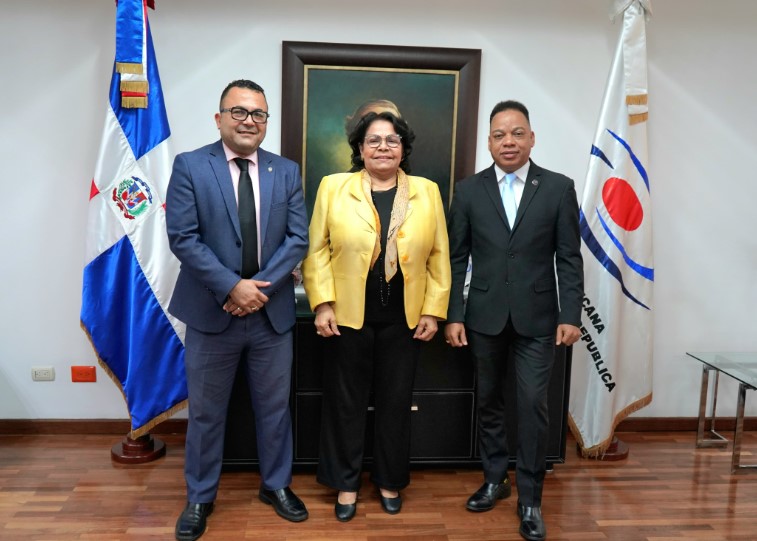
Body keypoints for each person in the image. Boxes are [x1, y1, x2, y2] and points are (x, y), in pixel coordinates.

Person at [166, 79, 309, 541]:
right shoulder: (191, 166)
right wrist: (232, 286)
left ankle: (276, 485)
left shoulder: (285, 171)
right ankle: (200, 496)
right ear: (219, 118)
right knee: (206, 413)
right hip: (212, 314)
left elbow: (298, 239)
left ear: (266, 121)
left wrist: (256, 290)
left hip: (270, 315)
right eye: (239, 112)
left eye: (258, 114)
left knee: (275, 409)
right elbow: (183, 237)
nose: (250, 121)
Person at [301, 111, 450, 522]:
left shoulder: (427, 192)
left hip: (404, 318)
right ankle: (345, 484)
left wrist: (433, 310)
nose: (383, 147)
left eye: (392, 140)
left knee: (395, 403)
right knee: (345, 403)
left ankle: (389, 480)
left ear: (403, 148)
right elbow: (316, 250)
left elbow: (439, 255)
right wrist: (322, 303)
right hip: (347, 316)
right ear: (360, 148)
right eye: (374, 140)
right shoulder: (334, 187)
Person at [445, 100, 583, 541]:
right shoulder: (468, 191)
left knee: (533, 406)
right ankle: (494, 479)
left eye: (517, 133)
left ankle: (530, 499)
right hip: (483, 317)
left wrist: (570, 314)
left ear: (532, 138)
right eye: (500, 134)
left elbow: (569, 257)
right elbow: (456, 258)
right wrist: (454, 314)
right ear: (489, 142)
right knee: (488, 401)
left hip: (539, 320)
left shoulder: (558, 188)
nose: (509, 141)